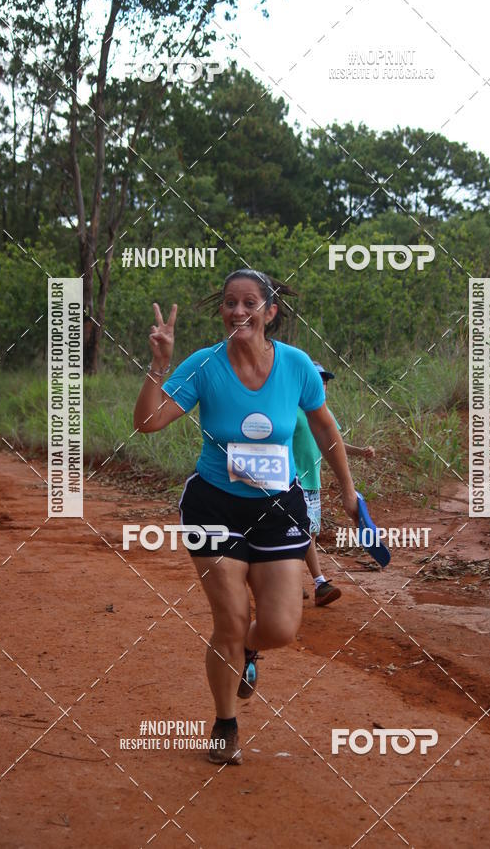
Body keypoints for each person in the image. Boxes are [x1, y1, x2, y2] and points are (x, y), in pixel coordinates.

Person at [133, 268, 359, 766]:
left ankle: (248, 655)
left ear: (269, 312)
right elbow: (147, 423)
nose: (238, 311)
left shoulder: (297, 366)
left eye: (250, 302)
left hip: (278, 507)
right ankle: (225, 723)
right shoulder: (203, 364)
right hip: (214, 505)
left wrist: (347, 488)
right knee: (230, 621)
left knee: (279, 628)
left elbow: (324, 426)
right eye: (230, 303)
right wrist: (159, 364)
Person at [293, 363, 376, 606]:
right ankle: (319, 583)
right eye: (317, 380)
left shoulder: (323, 413)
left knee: (310, 533)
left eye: (325, 381)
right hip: (293, 481)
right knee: (305, 531)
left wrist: (360, 452)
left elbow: (333, 442)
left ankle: (292, 582)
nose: (322, 385)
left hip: (312, 483)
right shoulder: (290, 409)